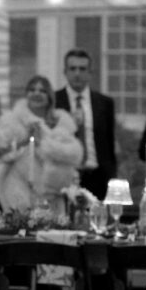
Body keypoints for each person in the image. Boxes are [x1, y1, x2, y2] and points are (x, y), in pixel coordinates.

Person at [0, 75, 83, 214]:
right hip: (20, 188)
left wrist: (44, 144)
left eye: (42, 91)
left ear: (49, 96)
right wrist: (25, 140)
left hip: (53, 194)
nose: (36, 93)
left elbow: (74, 155)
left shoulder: (63, 122)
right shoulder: (12, 121)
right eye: (32, 90)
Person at [54, 48, 116, 200]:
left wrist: (112, 175)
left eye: (82, 69)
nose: (77, 74)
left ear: (90, 72)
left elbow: (109, 143)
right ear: (65, 72)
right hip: (66, 176)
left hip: (98, 177)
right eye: (73, 68)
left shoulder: (104, 103)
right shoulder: (54, 101)